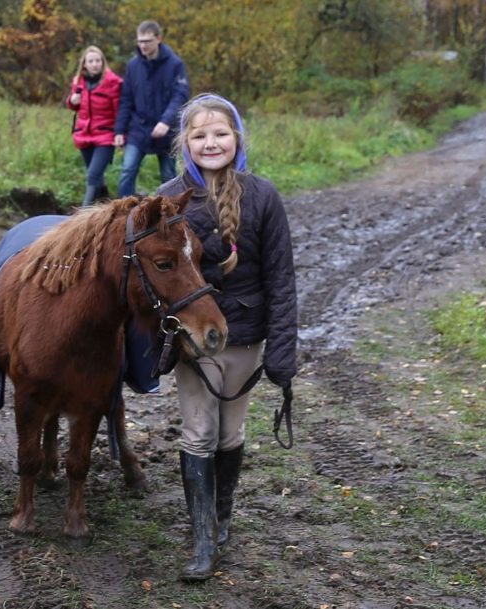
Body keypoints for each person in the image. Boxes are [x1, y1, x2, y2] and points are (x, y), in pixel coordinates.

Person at [156, 94, 298, 581]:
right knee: (198, 432)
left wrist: (282, 350)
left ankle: (220, 518)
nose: (210, 142)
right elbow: (152, 282)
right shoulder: (167, 199)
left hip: (246, 336)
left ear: (236, 138)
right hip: (193, 343)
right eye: (199, 135)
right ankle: (201, 542)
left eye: (220, 133)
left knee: (229, 434)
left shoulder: (263, 196)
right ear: (185, 143)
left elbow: (281, 279)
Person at [113, 20, 190, 197]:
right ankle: (123, 214)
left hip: (166, 130)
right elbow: (126, 99)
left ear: (158, 39)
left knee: (168, 176)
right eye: (140, 41)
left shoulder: (175, 64)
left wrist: (165, 121)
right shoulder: (133, 66)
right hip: (138, 129)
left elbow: (180, 96)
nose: (143, 45)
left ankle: (170, 214)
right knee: (127, 171)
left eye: (147, 41)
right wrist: (119, 130)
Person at [65, 46, 123, 205]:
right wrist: (72, 100)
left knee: (93, 175)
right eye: (91, 61)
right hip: (83, 134)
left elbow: (120, 110)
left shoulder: (113, 82)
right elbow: (74, 105)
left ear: (103, 63)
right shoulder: (79, 81)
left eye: (98, 61)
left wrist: (121, 133)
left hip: (105, 135)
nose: (95, 64)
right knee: (97, 177)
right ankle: (106, 206)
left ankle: (82, 215)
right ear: (84, 64)